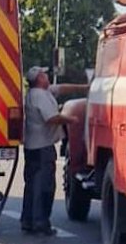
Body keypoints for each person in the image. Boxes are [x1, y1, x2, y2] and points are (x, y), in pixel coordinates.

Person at [20, 66, 88, 235]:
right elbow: (51, 118)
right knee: (44, 187)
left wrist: (85, 88)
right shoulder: (39, 96)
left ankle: (28, 221)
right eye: (44, 74)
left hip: (35, 148)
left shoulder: (41, 92)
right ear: (39, 79)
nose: (47, 76)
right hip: (42, 148)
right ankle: (40, 223)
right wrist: (71, 119)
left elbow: (62, 87)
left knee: (32, 186)